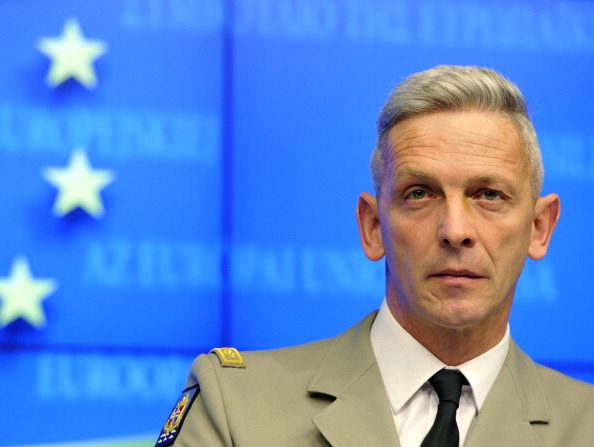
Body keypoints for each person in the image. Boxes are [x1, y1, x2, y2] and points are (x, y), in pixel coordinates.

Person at [155, 65, 594, 446]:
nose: (455, 231)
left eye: (489, 195)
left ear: (539, 227)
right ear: (372, 226)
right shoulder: (237, 406)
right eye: (419, 194)